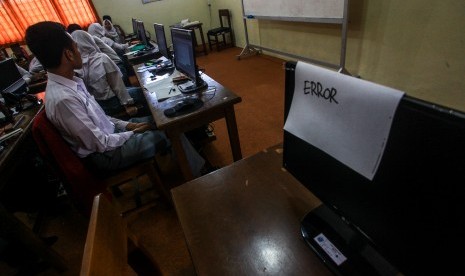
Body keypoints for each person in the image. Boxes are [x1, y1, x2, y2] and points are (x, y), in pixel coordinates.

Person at [25, 21, 205, 175]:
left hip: (111, 135)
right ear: (69, 54)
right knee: (169, 129)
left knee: (167, 117)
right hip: (107, 155)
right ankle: (199, 173)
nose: (81, 52)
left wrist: (129, 125)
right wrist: (132, 133)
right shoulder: (63, 99)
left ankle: (190, 158)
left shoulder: (71, 82)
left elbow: (100, 117)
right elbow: (100, 143)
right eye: (76, 48)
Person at [70, 30, 146, 119]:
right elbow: (118, 86)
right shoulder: (101, 58)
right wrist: (128, 105)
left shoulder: (77, 66)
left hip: (99, 104)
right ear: (89, 40)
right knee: (144, 91)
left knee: (131, 89)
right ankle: (154, 123)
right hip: (112, 103)